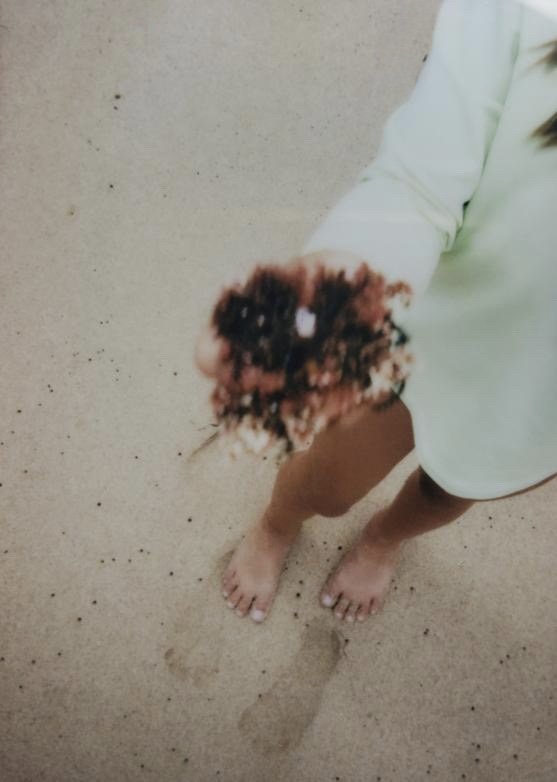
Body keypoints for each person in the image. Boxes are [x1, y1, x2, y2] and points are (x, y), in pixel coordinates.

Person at [195, 0, 557, 623]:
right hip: (431, 335)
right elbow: (421, 183)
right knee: (326, 484)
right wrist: (348, 282)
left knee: (451, 492)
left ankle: (383, 540)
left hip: (539, 407)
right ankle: (277, 524)